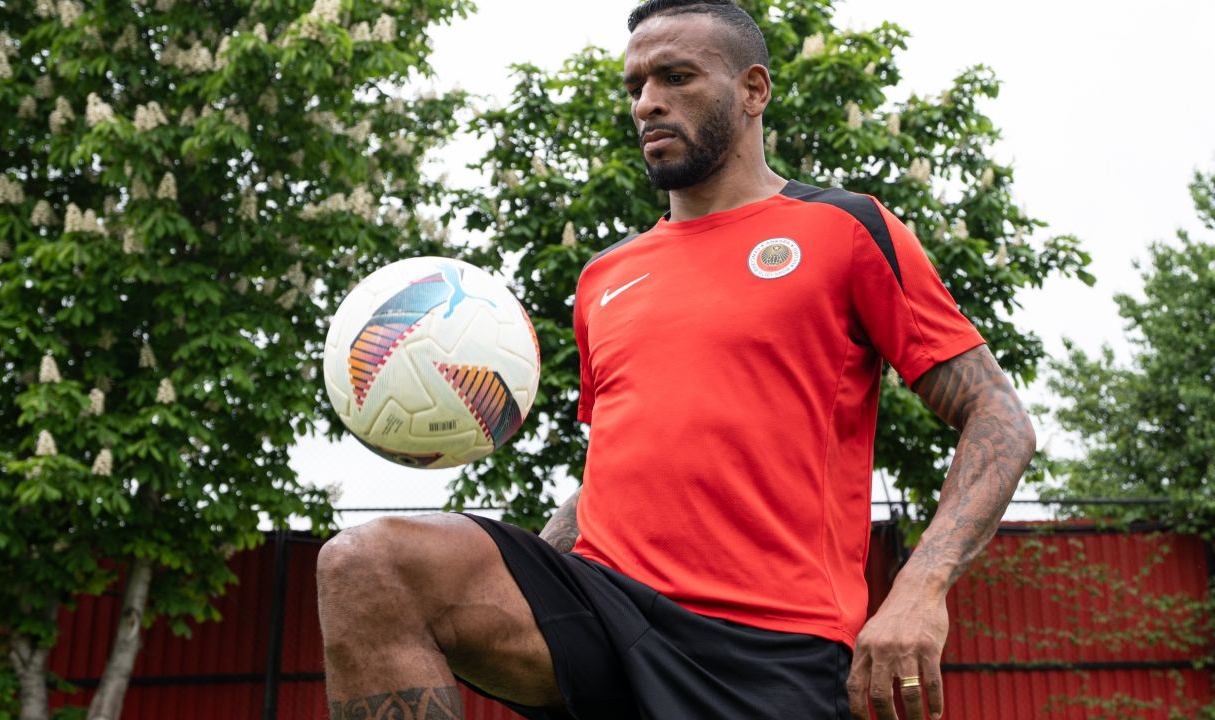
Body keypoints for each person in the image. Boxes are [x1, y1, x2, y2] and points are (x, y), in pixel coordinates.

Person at [315, 1, 1036, 718]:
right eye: (635, 86)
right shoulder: (604, 277)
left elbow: (998, 417)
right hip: (608, 610)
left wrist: (918, 589)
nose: (647, 103)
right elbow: (616, 472)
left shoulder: (846, 229)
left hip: (771, 649)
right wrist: (534, 572)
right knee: (365, 565)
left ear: (753, 90)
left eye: (676, 77)